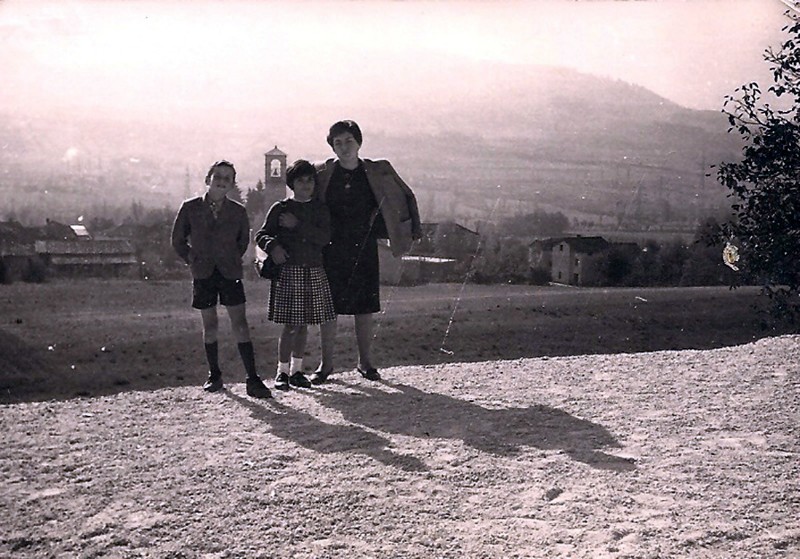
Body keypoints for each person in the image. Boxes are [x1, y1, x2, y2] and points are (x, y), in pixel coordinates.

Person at [310, 120, 422, 384]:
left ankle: (366, 363)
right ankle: (325, 366)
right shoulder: (323, 173)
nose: (344, 147)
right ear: (332, 148)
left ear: (359, 142)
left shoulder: (377, 172)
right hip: (331, 250)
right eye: (338, 143)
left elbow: (405, 196)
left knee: (365, 308)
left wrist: (410, 229)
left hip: (364, 247)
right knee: (329, 308)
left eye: (349, 140)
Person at [171, 160, 272, 398]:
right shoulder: (190, 207)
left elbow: (243, 241)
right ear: (208, 179)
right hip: (203, 273)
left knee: (240, 323)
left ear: (232, 184)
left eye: (227, 178)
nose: (222, 181)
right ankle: (214, 375)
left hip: (229, 273)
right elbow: (177, 240)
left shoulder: (238, 211)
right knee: (210, 325)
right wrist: (192, 259)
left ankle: (252, 378)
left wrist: (230, 259)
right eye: (218, 176)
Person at [254, 159, 336, 391]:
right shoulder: (280, 208)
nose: (306, 184)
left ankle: (297, 371)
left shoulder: (320, 209)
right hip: (289, 272)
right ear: (291, 184)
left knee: (303, 325)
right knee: (290, 325)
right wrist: (274, 248)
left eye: (310, 180)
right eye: (300, 180)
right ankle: (281, 372)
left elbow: (324, 238)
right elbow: (261, 235)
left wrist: (297, 225)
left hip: (312, 270)